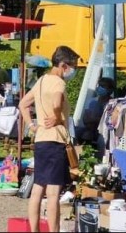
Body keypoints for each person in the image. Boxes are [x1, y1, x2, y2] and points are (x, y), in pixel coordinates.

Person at [19, 45, 80, 233]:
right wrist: (58, 116)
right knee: (53, 193)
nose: (73, 71)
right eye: (73, 66)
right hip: (55, 140)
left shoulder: (42, 80)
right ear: (63, 65)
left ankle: (34, 229)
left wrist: (32, 125)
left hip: (41, 139)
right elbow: (56, 103)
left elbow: (23, 104)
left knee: (38, 189)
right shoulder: (58, 82)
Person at [79, 77, 115, 143]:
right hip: (90, 131)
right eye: (99, 86)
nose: (100, 88)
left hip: (105, 133)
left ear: (110, 90)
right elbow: (86, 119)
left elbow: (111, 121)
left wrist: (95, 119)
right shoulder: (92, 101)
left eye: (103, 86)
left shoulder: (113, 104)